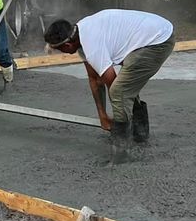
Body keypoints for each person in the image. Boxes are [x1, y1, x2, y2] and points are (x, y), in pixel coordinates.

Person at [44, 10, 175, 163]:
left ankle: (122, 153)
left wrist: (118, 120)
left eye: (60, 50)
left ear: (67, 45)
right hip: (152, 34)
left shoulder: (91, 45)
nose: (63, 53)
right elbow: (95, 78)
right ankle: (140, 133)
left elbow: (112, 83)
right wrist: (103, 116)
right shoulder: (81, 34)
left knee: (119, 91)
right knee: (124, 87)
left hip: (157, 41)